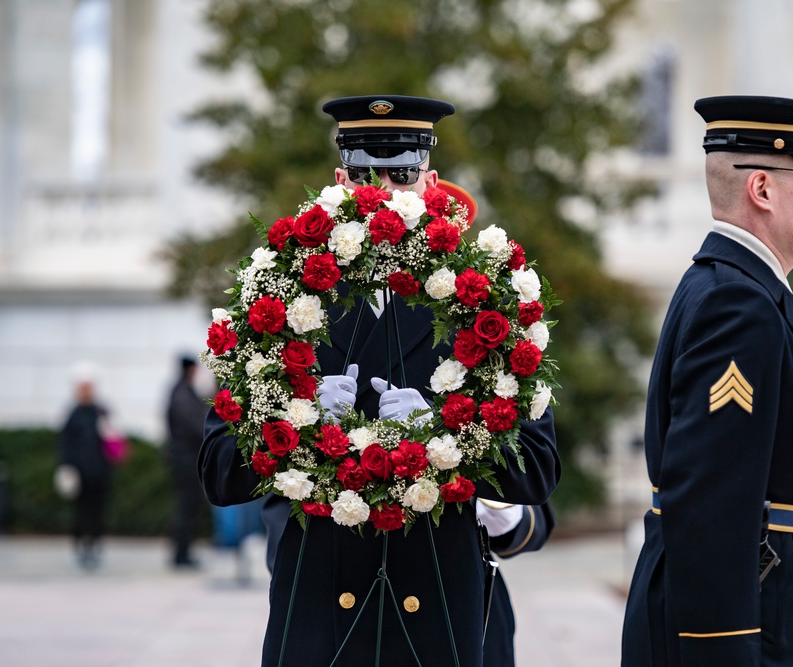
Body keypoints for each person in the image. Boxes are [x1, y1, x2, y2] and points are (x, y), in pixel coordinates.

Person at [199, 94, 560, 667]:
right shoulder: (284, 291)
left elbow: (538, 468)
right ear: (339, 180)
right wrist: (289, 425)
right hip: (322, 605)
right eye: (367, 175)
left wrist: (446, 436)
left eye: (402, 174)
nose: (385, 192)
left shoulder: (480, 298)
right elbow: (219, 473)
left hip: (435, 603)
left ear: (429, 179)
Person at [621, 95, 793, 666]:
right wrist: (720, 650)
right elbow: (710, 496)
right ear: (762, 190)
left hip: (764, 600)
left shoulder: (738, 288)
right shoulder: (738, 303)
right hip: (745, 622)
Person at [58, 362, 114, 570]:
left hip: (99, 472)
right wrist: (66, 468)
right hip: (79, 473)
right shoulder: (73, 414)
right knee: (80, 512)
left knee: (98, 511)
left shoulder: (101, 411)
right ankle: (81, 545)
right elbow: (65, 444)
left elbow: (112, 439)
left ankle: (95, 544)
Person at [165, 355, 210, 568]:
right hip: (185, 458)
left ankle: (183, 550)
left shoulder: (183, 392)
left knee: (189, 505)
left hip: (187, 457)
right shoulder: (182, 394)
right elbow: (196, 425)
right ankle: (181, 552)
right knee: (187, 505)